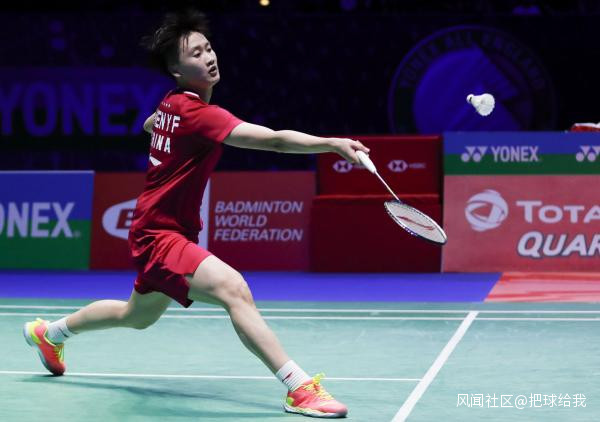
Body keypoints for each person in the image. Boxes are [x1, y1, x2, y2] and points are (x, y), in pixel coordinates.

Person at [23, 9, 369, 418]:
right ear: (176, 69)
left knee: (135, 316)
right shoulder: (199, 114)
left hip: (158, 229)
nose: (209, 57)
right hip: (160, 235)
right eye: (196, 54)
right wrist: (332, 144)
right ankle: (299, 389)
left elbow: (149, 124)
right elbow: (274, 141)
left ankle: (49, 333)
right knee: (233, 289)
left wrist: (161, 126)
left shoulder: (171, 103)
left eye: (208, 48)